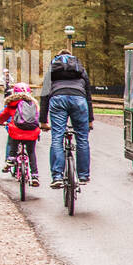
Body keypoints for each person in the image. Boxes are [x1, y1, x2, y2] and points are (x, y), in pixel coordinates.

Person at [40, 49, 94, 188]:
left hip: (57, 99)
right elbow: (88, 95)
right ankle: (83, 175)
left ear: (58, 57)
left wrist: (43, 121)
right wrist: (90, 120)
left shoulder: (52, 68)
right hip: (79, 99)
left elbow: (44, 95)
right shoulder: (80, 68)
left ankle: (57, 176)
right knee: (82, 138)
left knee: (57, 138)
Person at [0, 83, 42, 186]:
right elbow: (39, 117)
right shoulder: (33, 104)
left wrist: (0, 122)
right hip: (32, 132)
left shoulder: (11, 104)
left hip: (16, 132)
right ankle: (34, 175)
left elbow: (2, 116)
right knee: (31, 152)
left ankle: (11, 158)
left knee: (13, 139)